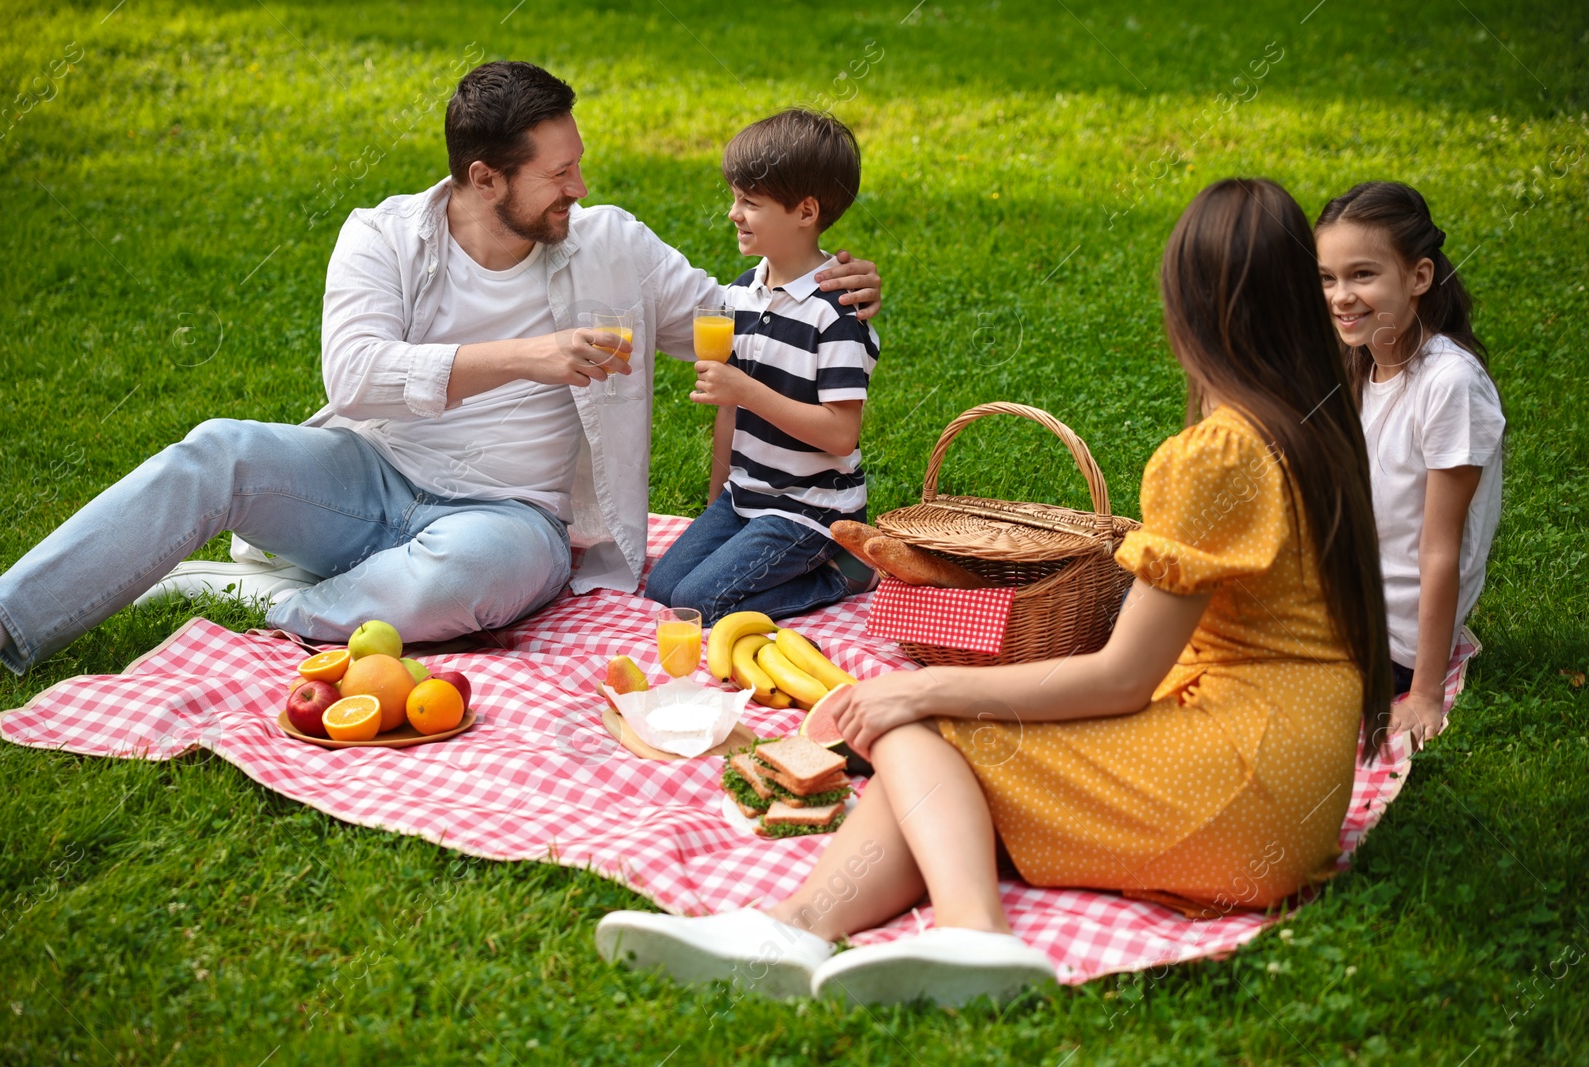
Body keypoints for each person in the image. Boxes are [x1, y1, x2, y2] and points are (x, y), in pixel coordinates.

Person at [595, 178, 1393, 1007]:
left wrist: (919, 685)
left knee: (926, 731)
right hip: (1303, 782)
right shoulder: (1316, 424)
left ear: (1188, 306)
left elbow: (1122, 676)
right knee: (937, 777)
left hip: (1241, 790)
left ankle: (974, 936)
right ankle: (788, 930)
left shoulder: (1217, 455)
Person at [0, 61, 882, 672]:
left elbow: (733, 321)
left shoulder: (611, 244)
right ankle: (6, 617)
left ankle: (282, 611)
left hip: (510, 520)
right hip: (372, 478)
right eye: (558, 173)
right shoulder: (381, 235)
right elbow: (356, 376)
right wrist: (533, 356)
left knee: (472, 577)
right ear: (486, 177)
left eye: (578, 166)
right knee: (217, 450)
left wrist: (825, 281)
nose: (579, 188)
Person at [644, 109, 881, 620]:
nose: (733, 213)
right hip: (745, 496)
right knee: (662, 589)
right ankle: (750, 541)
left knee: (699, 603)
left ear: (805, 211)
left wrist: (744, 390)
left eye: (750, 202)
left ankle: (843, 573)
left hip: (811, 509)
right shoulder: (738, 298)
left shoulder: (835, 314)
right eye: (735, 198)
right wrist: (715, 505)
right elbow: (729, 415)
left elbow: (841, 435)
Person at [1314, 181, 1504, 750]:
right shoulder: (1359, 367)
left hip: (1388, 643)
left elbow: (1439, 549)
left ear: (1419, 278)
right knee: (1151, 598)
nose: (1340, 296)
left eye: (1362, 275)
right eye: (1327, 277)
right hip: (1339, 608)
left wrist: (1423, 694)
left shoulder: (1449, 385)